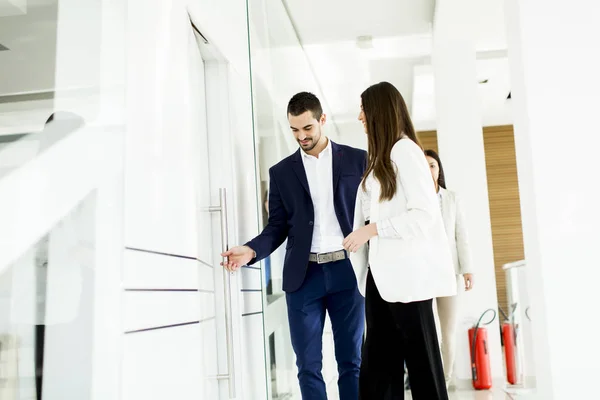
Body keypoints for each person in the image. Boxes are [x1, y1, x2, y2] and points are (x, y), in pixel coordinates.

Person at [221, 92, 367, 400]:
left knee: (351, 363)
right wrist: (251, 250)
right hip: (304, 277)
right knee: (307, 365)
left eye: (308, 128)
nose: (301, 136)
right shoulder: (281, 172)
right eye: (295, 130)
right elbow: (277, 227)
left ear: (322, 120)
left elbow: (371, 212)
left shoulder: (356, 159)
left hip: (347, 271)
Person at [343, 82, 456, 400]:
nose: (359, 117)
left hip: (407, 280)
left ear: (378, 110)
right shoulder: (381, 155)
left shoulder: (405, 151)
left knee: (423, 369)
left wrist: (372, 229)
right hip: (381, 278)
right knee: (378, 370)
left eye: (363, 109)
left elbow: (424, 215)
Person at [425, 149, 474, 389]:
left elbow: (461, 235)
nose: (428, 169)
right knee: (426, 331)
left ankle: (444, 379)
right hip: (422, 273)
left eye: (432, 165)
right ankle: (426, 378)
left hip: (448, 272)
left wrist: (467, 269)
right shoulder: (412, 200)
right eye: (423, 165)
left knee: (448, 330)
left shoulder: (452, 198)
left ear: (439, 169)